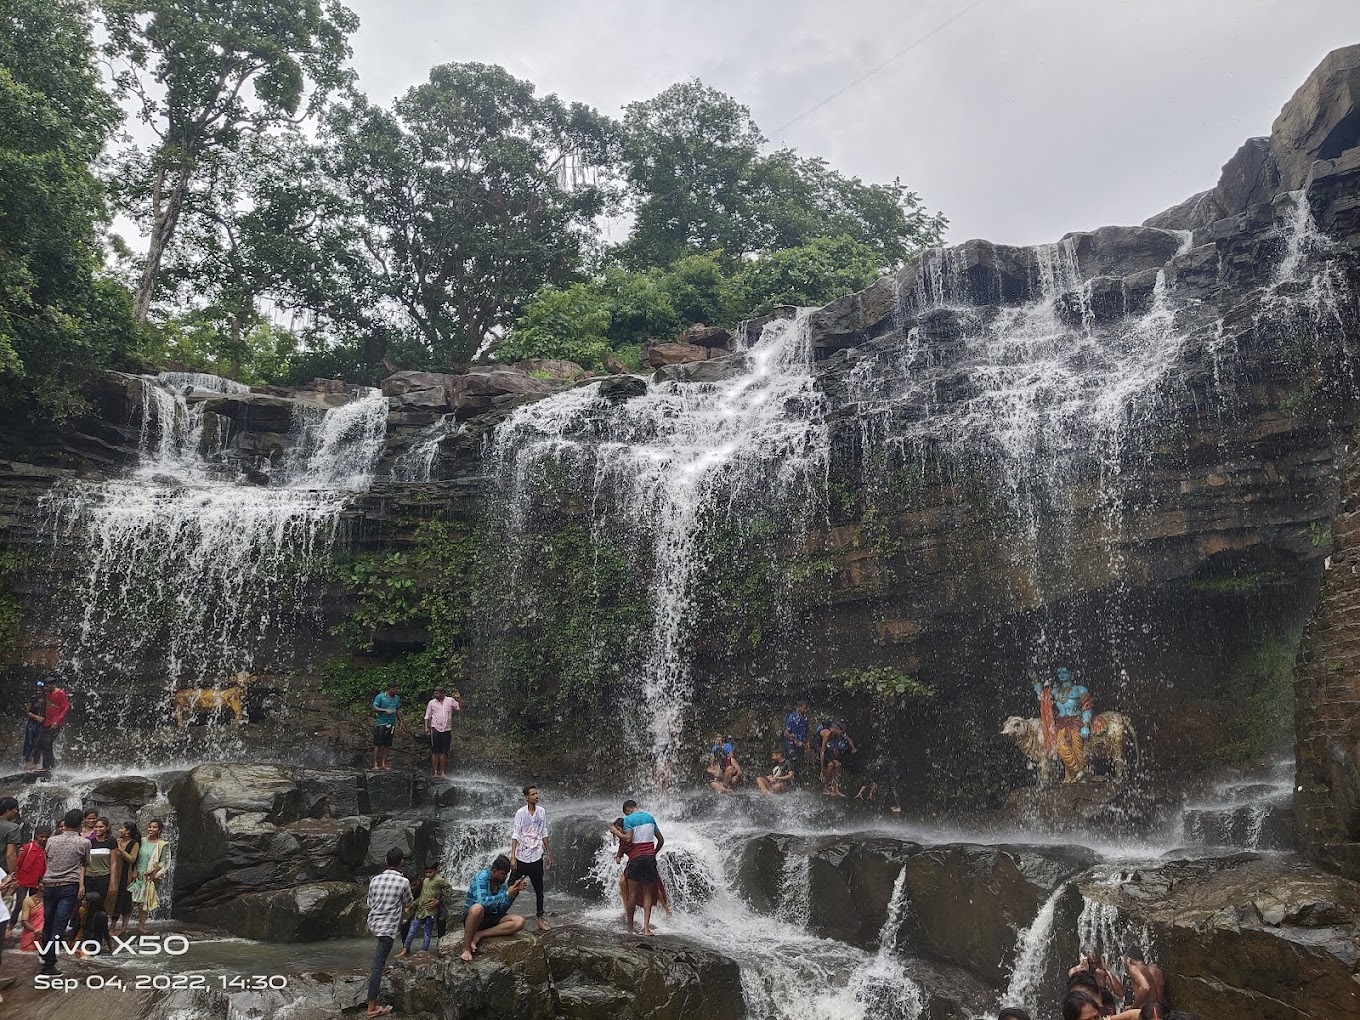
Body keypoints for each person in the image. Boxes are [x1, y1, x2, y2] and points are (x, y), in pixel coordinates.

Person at [39, 807, 89, 976]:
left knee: (48, 922)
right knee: (59, 926)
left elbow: (47, 859)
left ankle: (44, 954)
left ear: (65, 823)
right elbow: (86, 862)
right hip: (68, 887)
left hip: (49, 885)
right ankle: (49, 964)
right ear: (80, 824)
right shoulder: (84, 842)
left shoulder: (51, 841)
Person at [365, 846, 413, 1019]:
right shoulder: (403, 882)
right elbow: (408, 903)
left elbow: (370, 902)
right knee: (376, 968)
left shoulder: (375, 879)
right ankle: (371, 1008)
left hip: (373, 923)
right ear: (402, 862)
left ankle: (383, 964)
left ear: (385, 861)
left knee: (381, 953)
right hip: (387, 928)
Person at [460, 854, 527, 962]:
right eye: (503, 874)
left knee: (519, 922)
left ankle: (480, 934)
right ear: (494, 870)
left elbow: (501, 909)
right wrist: (506, 894)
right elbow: (481, 901)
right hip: (475, 918)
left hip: (491, 916)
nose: (505, 877)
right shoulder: (482, 877)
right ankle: (466, 948)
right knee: (478, 908)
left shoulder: (502, 885)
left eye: (506, 874)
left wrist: (513, 894)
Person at [1035, 666, 1093, 783]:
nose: (1061, 675)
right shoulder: (1055, 691)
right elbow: (1042, 695)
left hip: (1076, 723)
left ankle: (1081, 775)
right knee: (1060, 747)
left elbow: (1087, 708)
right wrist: (1034, 679)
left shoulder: (1080, 689)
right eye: (1059, 673)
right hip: (1061, 724)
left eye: (1065, 672)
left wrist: (1086, 725)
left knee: (1078, 750)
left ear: (1071, 674)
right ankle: (1078, 772)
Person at [611, 816, 671, 921]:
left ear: (623, 827)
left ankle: (667, 910)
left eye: (618, 829)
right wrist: (618, 857)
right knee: (622, 882)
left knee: (654, 887)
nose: (617, 832)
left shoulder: (631, 835)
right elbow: (621, 849)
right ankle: (627, 909)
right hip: (634, 863)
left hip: (643, 861)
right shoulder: (623, 838)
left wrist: (652, 854)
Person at [617, 799, 663, 936]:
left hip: (636, 859)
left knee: (632, 893)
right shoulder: (650, 817)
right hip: (650, 859)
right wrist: (653, 853)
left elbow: (628, 839)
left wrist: (616, 831)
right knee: (647, 893)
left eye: (626, 813)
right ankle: (646, 929)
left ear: (628, 810)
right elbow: (661, 840)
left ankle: (630, 929)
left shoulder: (628, 819)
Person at [510, 784, 551, 932]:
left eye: (537, 794)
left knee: (539, 890)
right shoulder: (520, 813)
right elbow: (516, 834)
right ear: (526, 797)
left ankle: (540, 919)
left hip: (536, 856)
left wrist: (548, 854)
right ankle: (499, 913)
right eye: (533, 794)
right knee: (511, 886)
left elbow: (544, 832)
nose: (536, 796)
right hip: (521, 856)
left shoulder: (542, 812)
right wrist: (513, 856)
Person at [395, 863, 451, 958]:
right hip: (417, 905)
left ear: (418, 879)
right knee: (405, 924)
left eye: (414, 885)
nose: (412, 887)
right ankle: (406, 949)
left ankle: (440, 947)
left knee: (441, 920)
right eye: (410, 886)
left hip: (435, 904)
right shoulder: (404, 885)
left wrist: (438, 901)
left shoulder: (427, 882)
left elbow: (448, 891)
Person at [130, 817, 170, 934]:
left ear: (160, 829)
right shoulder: (141, 840)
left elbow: (163, 861)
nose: (151, 829)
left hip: (150, 876)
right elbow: (135, 856)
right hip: (138, 873)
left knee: (145, 902)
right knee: (131, 899)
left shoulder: (162, 844)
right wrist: (134, 870)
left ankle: (141, 926)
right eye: (150, 827)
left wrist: (153, 873)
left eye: (154, 827)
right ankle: (124, 924)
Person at [423, 686, 461, 779]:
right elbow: (427, 716)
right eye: (435, 693)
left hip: (446, 729)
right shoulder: (432, 703)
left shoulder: (450, 700)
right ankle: (435, 772)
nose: (435, 695)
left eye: (437, 693)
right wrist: (426, 727)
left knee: (444, 751)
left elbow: (460, 707)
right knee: (435, 751)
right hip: (435, 728)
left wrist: (459, 699)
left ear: (443, 693)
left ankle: (442, 772)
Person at [111, 821, 140, 935]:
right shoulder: (117, 841)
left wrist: (121, 851)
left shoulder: (134, 844)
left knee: (125, 900)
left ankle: (122, 927)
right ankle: (111, 926)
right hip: (115, 873)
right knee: (114, 899)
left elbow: (132, 859)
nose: (119, 830)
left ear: (128, 831)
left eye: (121, 828)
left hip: (126, 874)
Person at [13, 825, 49, 910]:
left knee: (34, 903)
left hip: (36, 882)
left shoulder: (46, 850)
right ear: (36, 836)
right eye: (42, 836)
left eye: (46, 837)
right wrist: (15, 878)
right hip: (22, 881)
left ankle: (30, 921)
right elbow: (18, 863)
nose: (44, 839)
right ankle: (12, 922)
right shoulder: (27, 847)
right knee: (20, 902)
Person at [37, 684, 71, 773]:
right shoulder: (48, 693)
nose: (46, 688)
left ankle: (46, 766)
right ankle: (52, 765)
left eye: (47, 686)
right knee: (41, 742)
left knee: (47, 743)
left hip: (56, 722)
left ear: (53, 685)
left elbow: (67, 707)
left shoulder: (60, 693)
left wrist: (58, 721)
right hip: (47, 722)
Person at [371, 682, 404, 772]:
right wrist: (385, 710)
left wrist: (400, 721)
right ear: (391, 689)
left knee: (387, 744)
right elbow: (374, 708)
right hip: (381, 723)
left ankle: (383, 763)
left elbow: (397, 710)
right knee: (378, 743)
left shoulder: (396, 698)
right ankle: (375, 764)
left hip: (391, 723)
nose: (397, 691)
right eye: (396, 689)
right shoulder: (380, 696)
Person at [84, 817, 117, 904]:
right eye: (96, 827)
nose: (98, 829)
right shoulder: (89, 842)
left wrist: (112, 882)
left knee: (99, 903)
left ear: (107, 827)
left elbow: (113, 862)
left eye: (101, 827)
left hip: (103, 877)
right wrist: (80, 884)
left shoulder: (111, 841)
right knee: (86, 904)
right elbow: (84, 863)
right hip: (88, 877)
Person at [72, 890, 111, 956]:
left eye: (84, 901)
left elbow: (105, 932)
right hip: (84, 942)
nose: (82, 901)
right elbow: (76, 927)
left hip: (93, 945)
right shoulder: (82, 911)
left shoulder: (101, 915)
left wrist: (110, 948)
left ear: (91, 903)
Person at [22, 681, 46, 771]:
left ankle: (36, 763)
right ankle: (27, 763)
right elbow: (27, 711)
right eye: (37, 690)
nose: (38, 692)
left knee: (38, 743)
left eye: (40, 690)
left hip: (42, 724)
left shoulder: (46, 700)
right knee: (29, 742)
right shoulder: (33, 699)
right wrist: (36, 717)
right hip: (32, 723)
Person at [782, 702, 811, 774]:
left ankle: (799, 780)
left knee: (800, 763)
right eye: (805, 708)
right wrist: (795, 741)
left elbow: (807, 731)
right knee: (792, 762)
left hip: (801, 745)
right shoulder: (792, 717)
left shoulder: (805, 718)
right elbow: (786, 733)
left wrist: (807, 742)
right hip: (791, 745)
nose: (806, 710)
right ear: (799, 707)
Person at [17, 886, 43, 951]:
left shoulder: (51, 901)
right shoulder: (28, 901)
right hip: (31, 934)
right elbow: (24, 921)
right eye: (43, 882)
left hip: (45, 935)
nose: (45, 884)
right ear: (37, 885)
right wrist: (35, 930)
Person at [0, 797, 20, 875]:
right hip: (3, 871)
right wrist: (14, 877)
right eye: (14, 809)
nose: (16, 812)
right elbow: (10, 855)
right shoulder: (12, 828)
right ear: (8, 811)